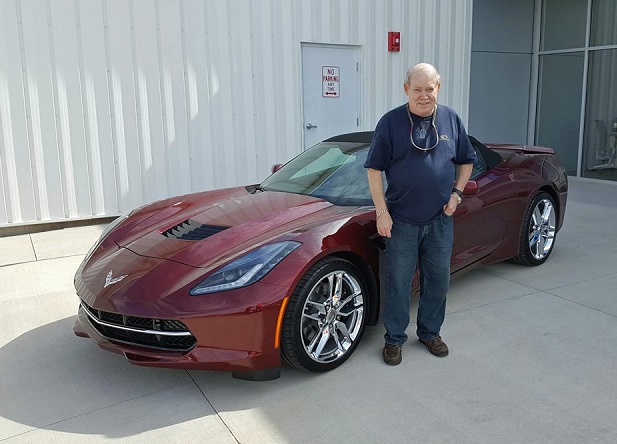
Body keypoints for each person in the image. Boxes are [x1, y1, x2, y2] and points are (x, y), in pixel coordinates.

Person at [364, 62, 476, 365]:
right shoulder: (390, 122)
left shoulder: (451, 119)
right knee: (399, 283)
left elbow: (466, 161)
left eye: (430, 88)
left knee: (438, 282)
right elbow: (374, 169)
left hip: (440, 219)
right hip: (401, 220)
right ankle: (394, 340)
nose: (424, 95)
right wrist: (381, 212)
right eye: (417, 89)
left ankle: (429, 333)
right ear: (406, 90)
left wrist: (457, 194)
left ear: (437, 87)